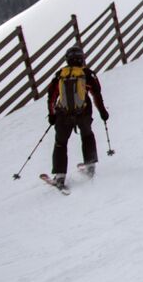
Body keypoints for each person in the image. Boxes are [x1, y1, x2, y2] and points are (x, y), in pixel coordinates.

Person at [46, 47, 110, 189]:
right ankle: (90, 165)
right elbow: (96, 94)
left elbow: (51, 96)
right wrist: (103, 112)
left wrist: (51, 115)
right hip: (84, 113)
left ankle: (60, 176)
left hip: (63, 114)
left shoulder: (60, 75)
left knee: (60, 143)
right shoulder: (87, 74)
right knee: (87, 135)